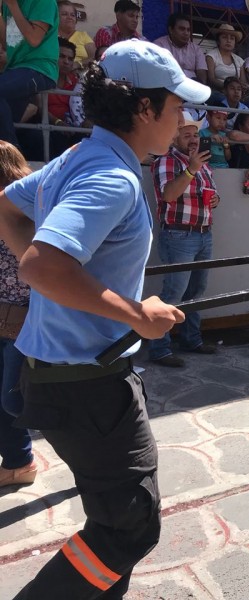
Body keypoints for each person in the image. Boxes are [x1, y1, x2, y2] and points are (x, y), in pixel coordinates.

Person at [0, 39, 201, 599]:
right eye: (177, 105)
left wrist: (53, 279)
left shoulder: (80, 156)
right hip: (86, 386)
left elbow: (6, 207)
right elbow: (44, 264)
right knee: (128, 528)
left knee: (111, 521)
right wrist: (138, 315)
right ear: (144, 109)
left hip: (57, 374)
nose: (183, 117)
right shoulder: (112, 177)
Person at [149, 111, 219, 368]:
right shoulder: (167, 161)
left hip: (203, 233)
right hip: (179, 235)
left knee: (196, 292)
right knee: (174, 293)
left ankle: (191, 339)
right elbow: (168, 195)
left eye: (195, 135)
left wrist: (215, 200)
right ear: (174, 136)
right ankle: (159, 348)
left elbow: (210, 196)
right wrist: (191, 169)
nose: (192, 139)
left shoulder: (203, 164)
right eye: (186, 134)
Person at [0, 141, 35, 490]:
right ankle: (17, 461)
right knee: (6, 399)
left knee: (16, 401)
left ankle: (95, 458)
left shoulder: (24, 209)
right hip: (7, 317)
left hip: (23, 319)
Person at [0, 0, 58, 147]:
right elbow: (11, 42)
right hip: (16, 70)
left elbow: (33, 39)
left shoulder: (45, 2)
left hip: (39, 69)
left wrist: (13, 6)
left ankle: (9, 160)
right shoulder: (10, 4)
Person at [154, 13, 207, 85]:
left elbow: (202, 73)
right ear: (171, 30)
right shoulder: (159, 46)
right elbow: (159, 72)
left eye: (188, 30)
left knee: (218, 96)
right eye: (182, 29)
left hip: (194, 87)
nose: (186, 33)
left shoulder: (196, 49)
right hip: (169, 87)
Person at [205, 24, 244, 93]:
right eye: (224, 37)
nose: (228, 41)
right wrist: (228, 88)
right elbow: (211, 79)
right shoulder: (211, 56)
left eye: (232, 38)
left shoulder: (239, 60)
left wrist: (244, 86)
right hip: (217, 92)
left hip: (235, 94)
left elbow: (243, 81)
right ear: (218, 41)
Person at [56, 0, 94, 68]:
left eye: (72, 15)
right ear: (56, 17)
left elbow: (94, 57)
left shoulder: (83, 36)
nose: (69, 17)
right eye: (64, 14)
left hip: (79, 75)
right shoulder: (50, 36)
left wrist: (79, 64)